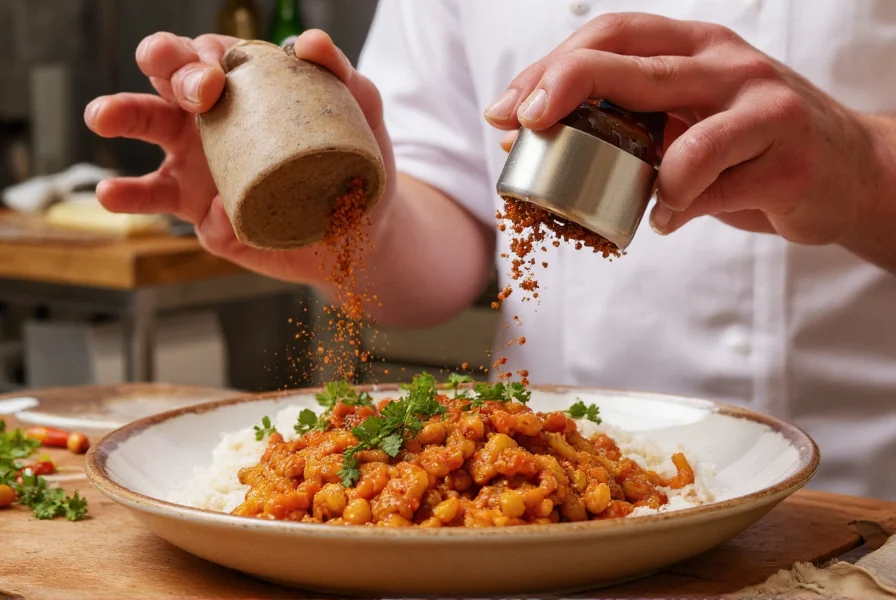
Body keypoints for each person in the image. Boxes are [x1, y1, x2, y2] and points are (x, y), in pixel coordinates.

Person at [83, 1, 896, 500]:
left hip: (865, 510)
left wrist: (864, 169)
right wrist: (358, 231)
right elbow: (451, 232)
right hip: (550, 494)